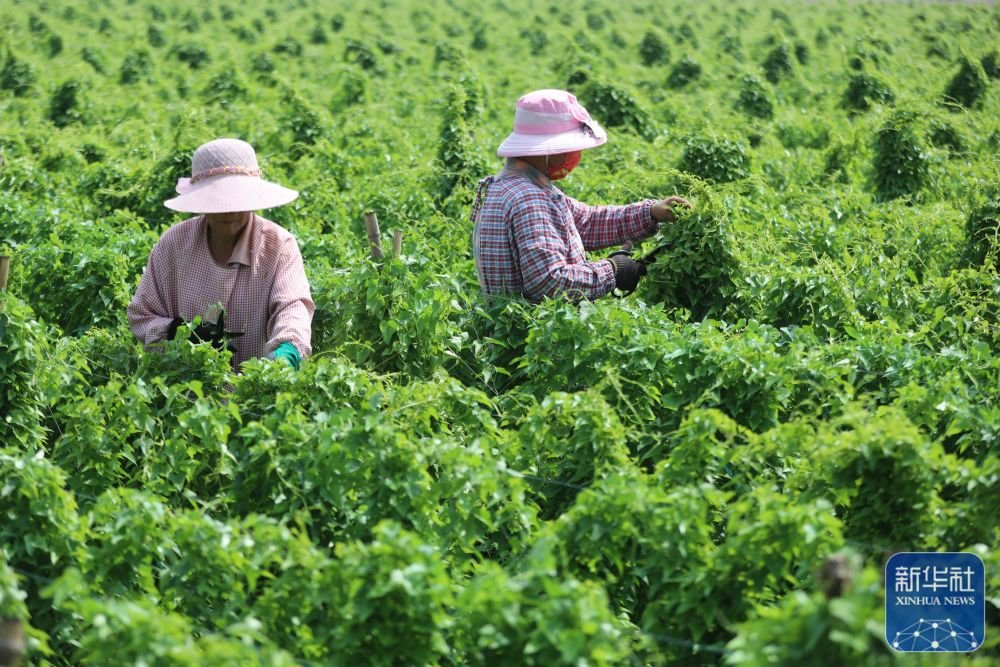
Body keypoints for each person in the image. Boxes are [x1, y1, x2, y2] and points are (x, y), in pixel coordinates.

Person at [471, 89, 690, 302]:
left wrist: (651, 212)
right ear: (554, 153)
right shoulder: (530, 200)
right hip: (536, 336)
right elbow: (549, 283)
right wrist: (613, 270)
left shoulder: (511, 186)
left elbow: (586, 222)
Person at [127, 138, 313, 370]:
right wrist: (179, 333)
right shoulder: (175, 244)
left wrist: (287, 351)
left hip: (256, 394)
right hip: (186, 393)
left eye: (237, 199)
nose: (228, 210)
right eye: (218, 200)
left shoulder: (278, 246)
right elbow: (142, 315)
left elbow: (292, 307)